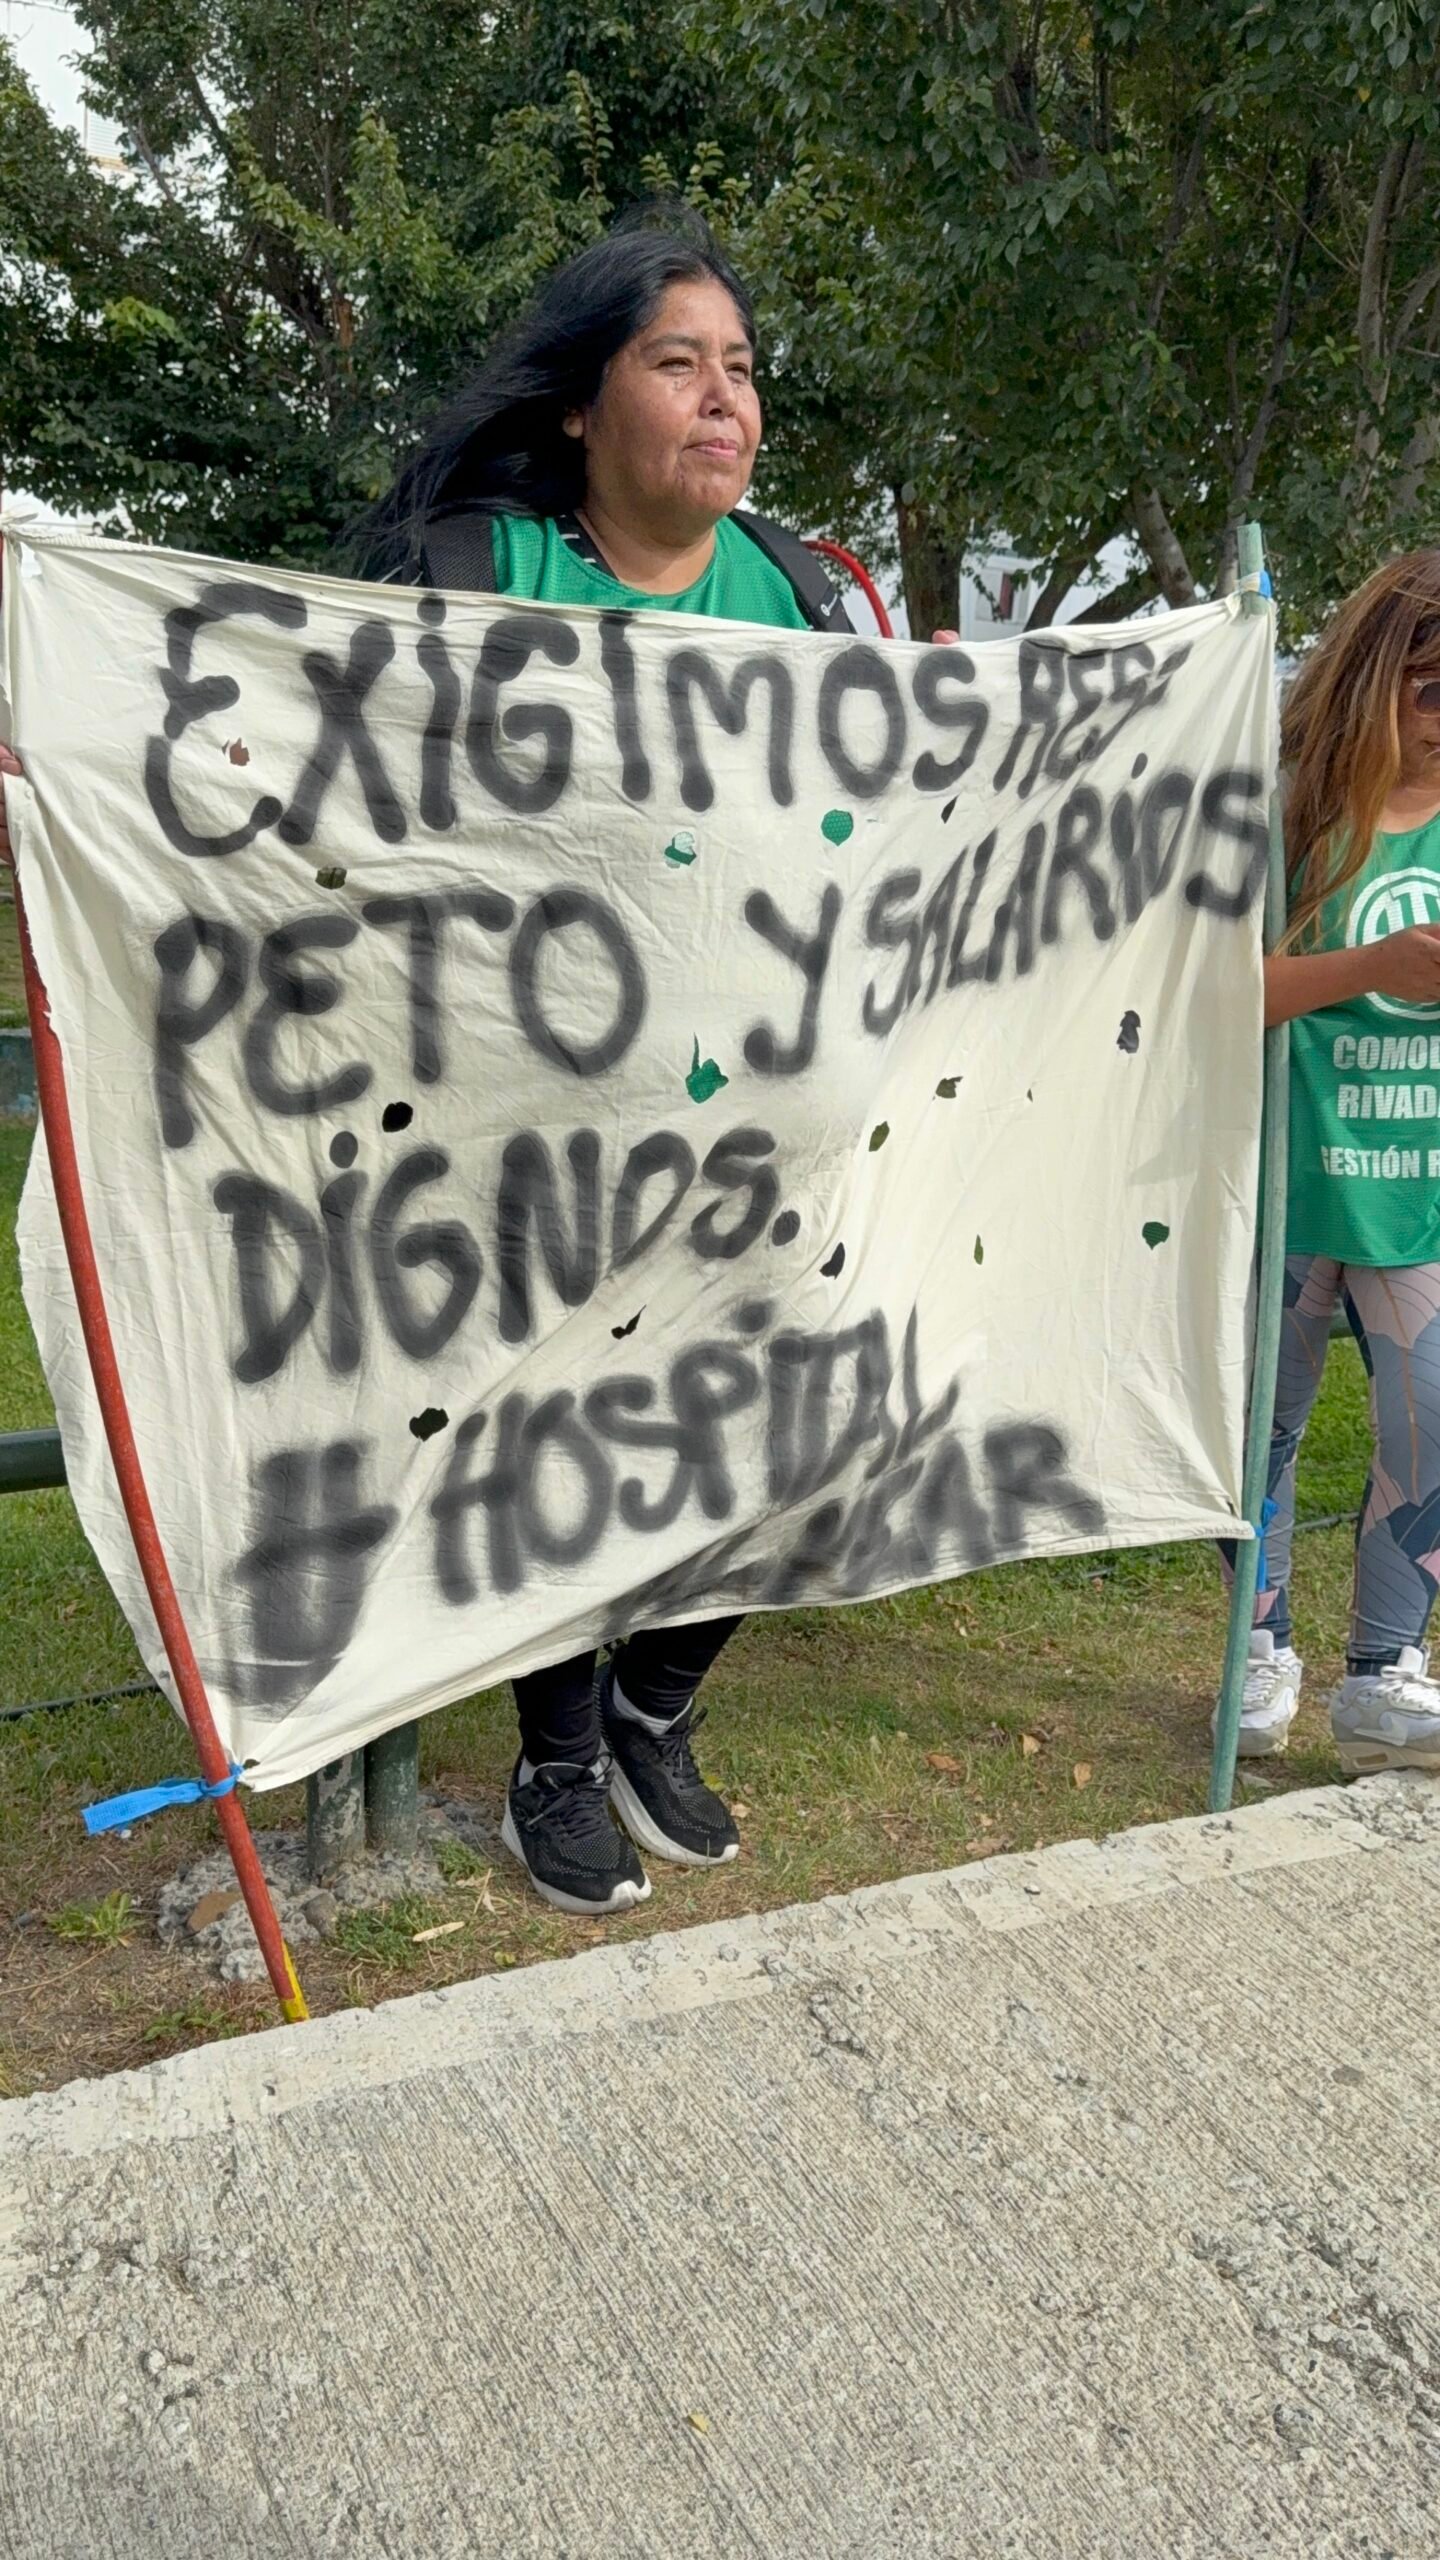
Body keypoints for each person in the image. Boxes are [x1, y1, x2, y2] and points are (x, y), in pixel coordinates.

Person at [358, 210, 867, 1915]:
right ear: (582, 404)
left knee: (781, 1424)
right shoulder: (479, 575)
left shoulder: (805, 597)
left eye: (742, 369)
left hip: (765, 1129)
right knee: (558, 1435)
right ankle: (560, 1757)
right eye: (677, 363)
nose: (727, 400)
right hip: (541, 1131)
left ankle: (658, 1702)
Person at [1224, 549, 1440, 1771]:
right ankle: (1256, 1650)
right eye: (1431, 689)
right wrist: (1373, 968)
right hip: (1290, 1183)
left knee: (1430, 1426)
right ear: (1373, 677)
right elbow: (1215, 994)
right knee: (1259, 1432)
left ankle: (1382, 1677)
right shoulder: (1287, 814)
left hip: (1421, 1192)